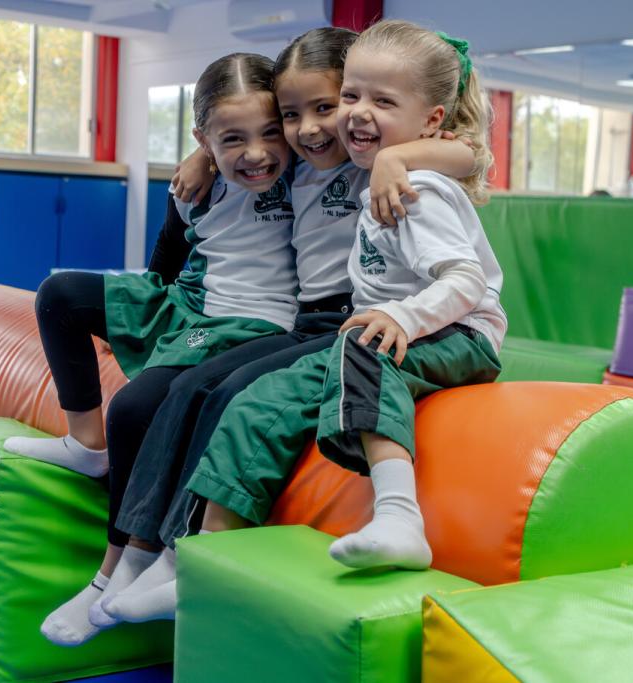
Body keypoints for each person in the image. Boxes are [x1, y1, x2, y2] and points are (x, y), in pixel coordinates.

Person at [69, 25, 477, 630]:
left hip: (349, 318)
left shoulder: (369, 162)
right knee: (183, 392)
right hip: (306, 319)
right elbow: (249, 142)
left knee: (231, 396)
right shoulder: (298, 164)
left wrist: (397, 156)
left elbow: (467, 154)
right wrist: (206, 153)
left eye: (328, 106)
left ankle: (181, 553)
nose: (310, 128)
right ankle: (135, 555)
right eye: (293, 114)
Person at [4, 52, 301, 646]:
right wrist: (198, 165)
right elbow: (165, 260)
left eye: (272, 132)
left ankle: (113, 568)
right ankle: (85, 444)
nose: (258, 153)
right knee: (60, 294)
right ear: (202, 137)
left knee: (136, 409)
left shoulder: (307, 172)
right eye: (232, 139)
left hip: (253, 324)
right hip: (192, 302)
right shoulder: (197, 184)